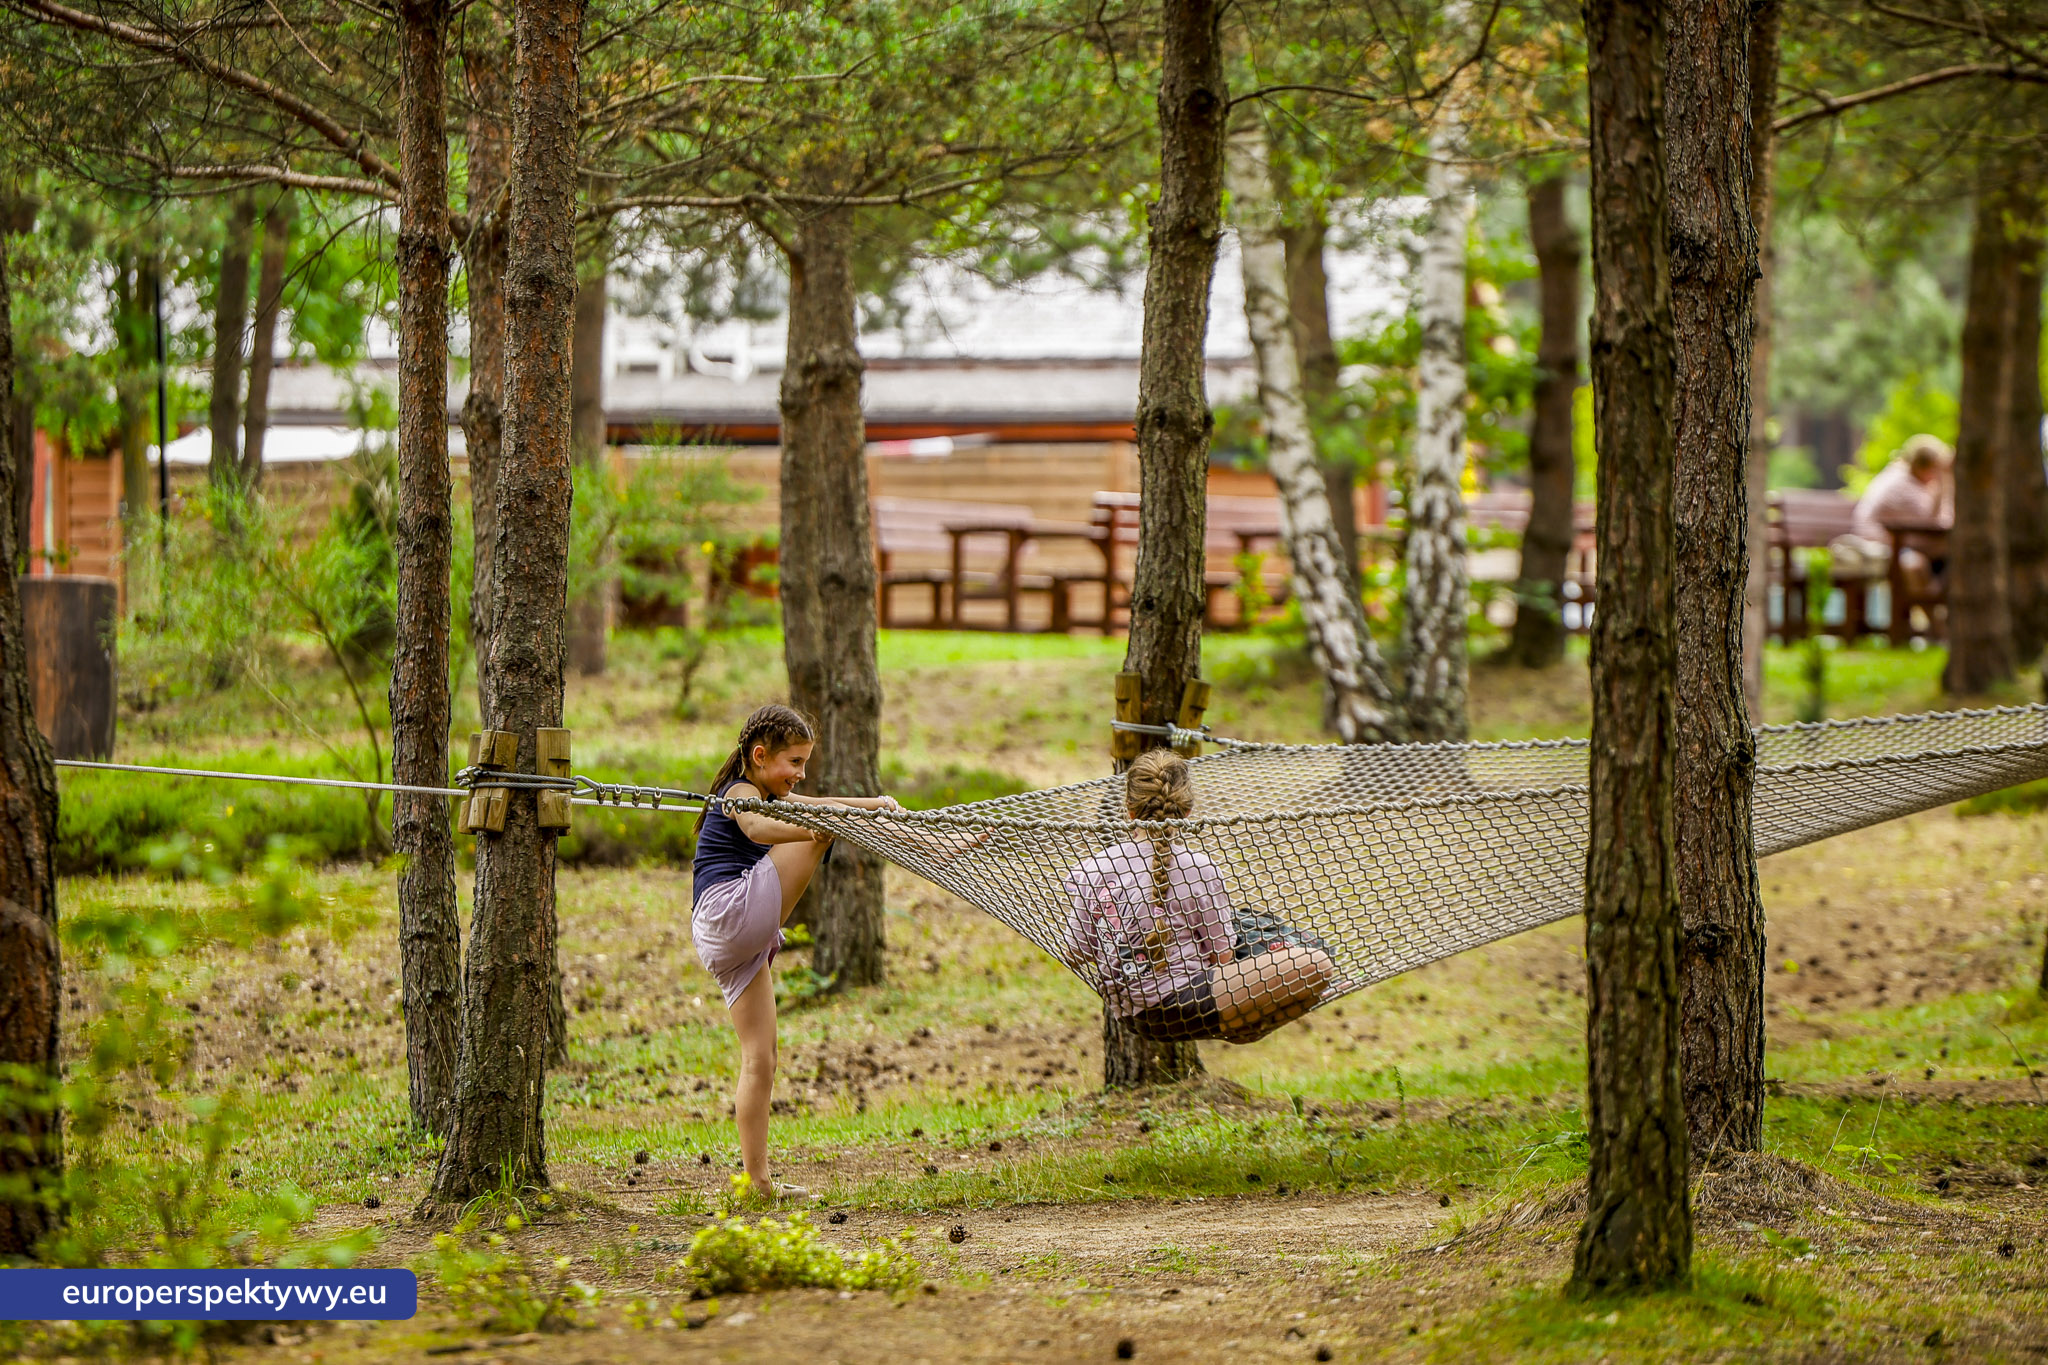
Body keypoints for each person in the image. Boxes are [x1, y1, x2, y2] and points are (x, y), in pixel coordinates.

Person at [691, 703, 902, 1202]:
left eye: (805, 763)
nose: (801, 773)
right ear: (760, 756)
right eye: (794, 763)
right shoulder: (741, 792)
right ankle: (942, 848)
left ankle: (757, 1183)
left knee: (760, 1059)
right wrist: (812, 829)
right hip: (729, 910)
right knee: (822, 825)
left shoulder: (765, 788)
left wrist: (874, 804)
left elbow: (820, 802)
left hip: (725, 939)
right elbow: (761, 830)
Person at [1062, 748, 1334, 1043]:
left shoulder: (1094, 869)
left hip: (1131, 1014)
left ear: (1128, 809)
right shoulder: (1200, 870)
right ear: (1187, 811)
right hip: (1190, 1005)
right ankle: (1244, 1025)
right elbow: (1223, 955)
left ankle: (1242, 1022)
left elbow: (1077, 952)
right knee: (1317, 962)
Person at [1848, 433, 1952, 579]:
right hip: (1879, 545)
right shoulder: (1901, 485)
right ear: (1926, 467)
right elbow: (1933, 522)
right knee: (1939, 558)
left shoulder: (1904, 477)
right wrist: (1944, 481)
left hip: (1894, 543)